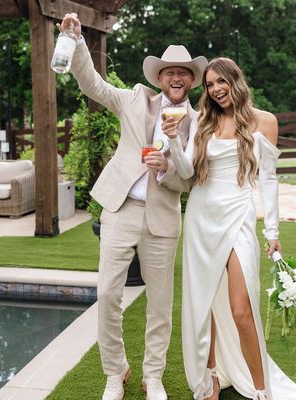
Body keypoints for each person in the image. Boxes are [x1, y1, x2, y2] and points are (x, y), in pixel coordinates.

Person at [162, 58, 296, 400]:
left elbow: (268, 180)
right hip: (200, 215)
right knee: (204, 304)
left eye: (220, 82)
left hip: (238, 215)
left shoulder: (264, 121)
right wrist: (175, 144)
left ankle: (261, 390)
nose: (215, 90)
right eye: (209, 85)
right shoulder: (202, 122)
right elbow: (186, 173)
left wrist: (272, 232)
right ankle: (209, 377)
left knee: (241, 309)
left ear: (235, 81)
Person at [57, 14, 208, 400]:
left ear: (191, 80)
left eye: (184, 73)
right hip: (120, 210)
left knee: (160, 304)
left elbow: (188, 181)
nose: (176, 78)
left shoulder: (198, 122)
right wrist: (75, 40)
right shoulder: (133, 99)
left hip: (163, 220)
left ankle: (152, 377)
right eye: (169, 72)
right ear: (160, 78)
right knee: (108, 295)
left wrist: (167, 170)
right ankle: (115, 371)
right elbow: (92, 83)